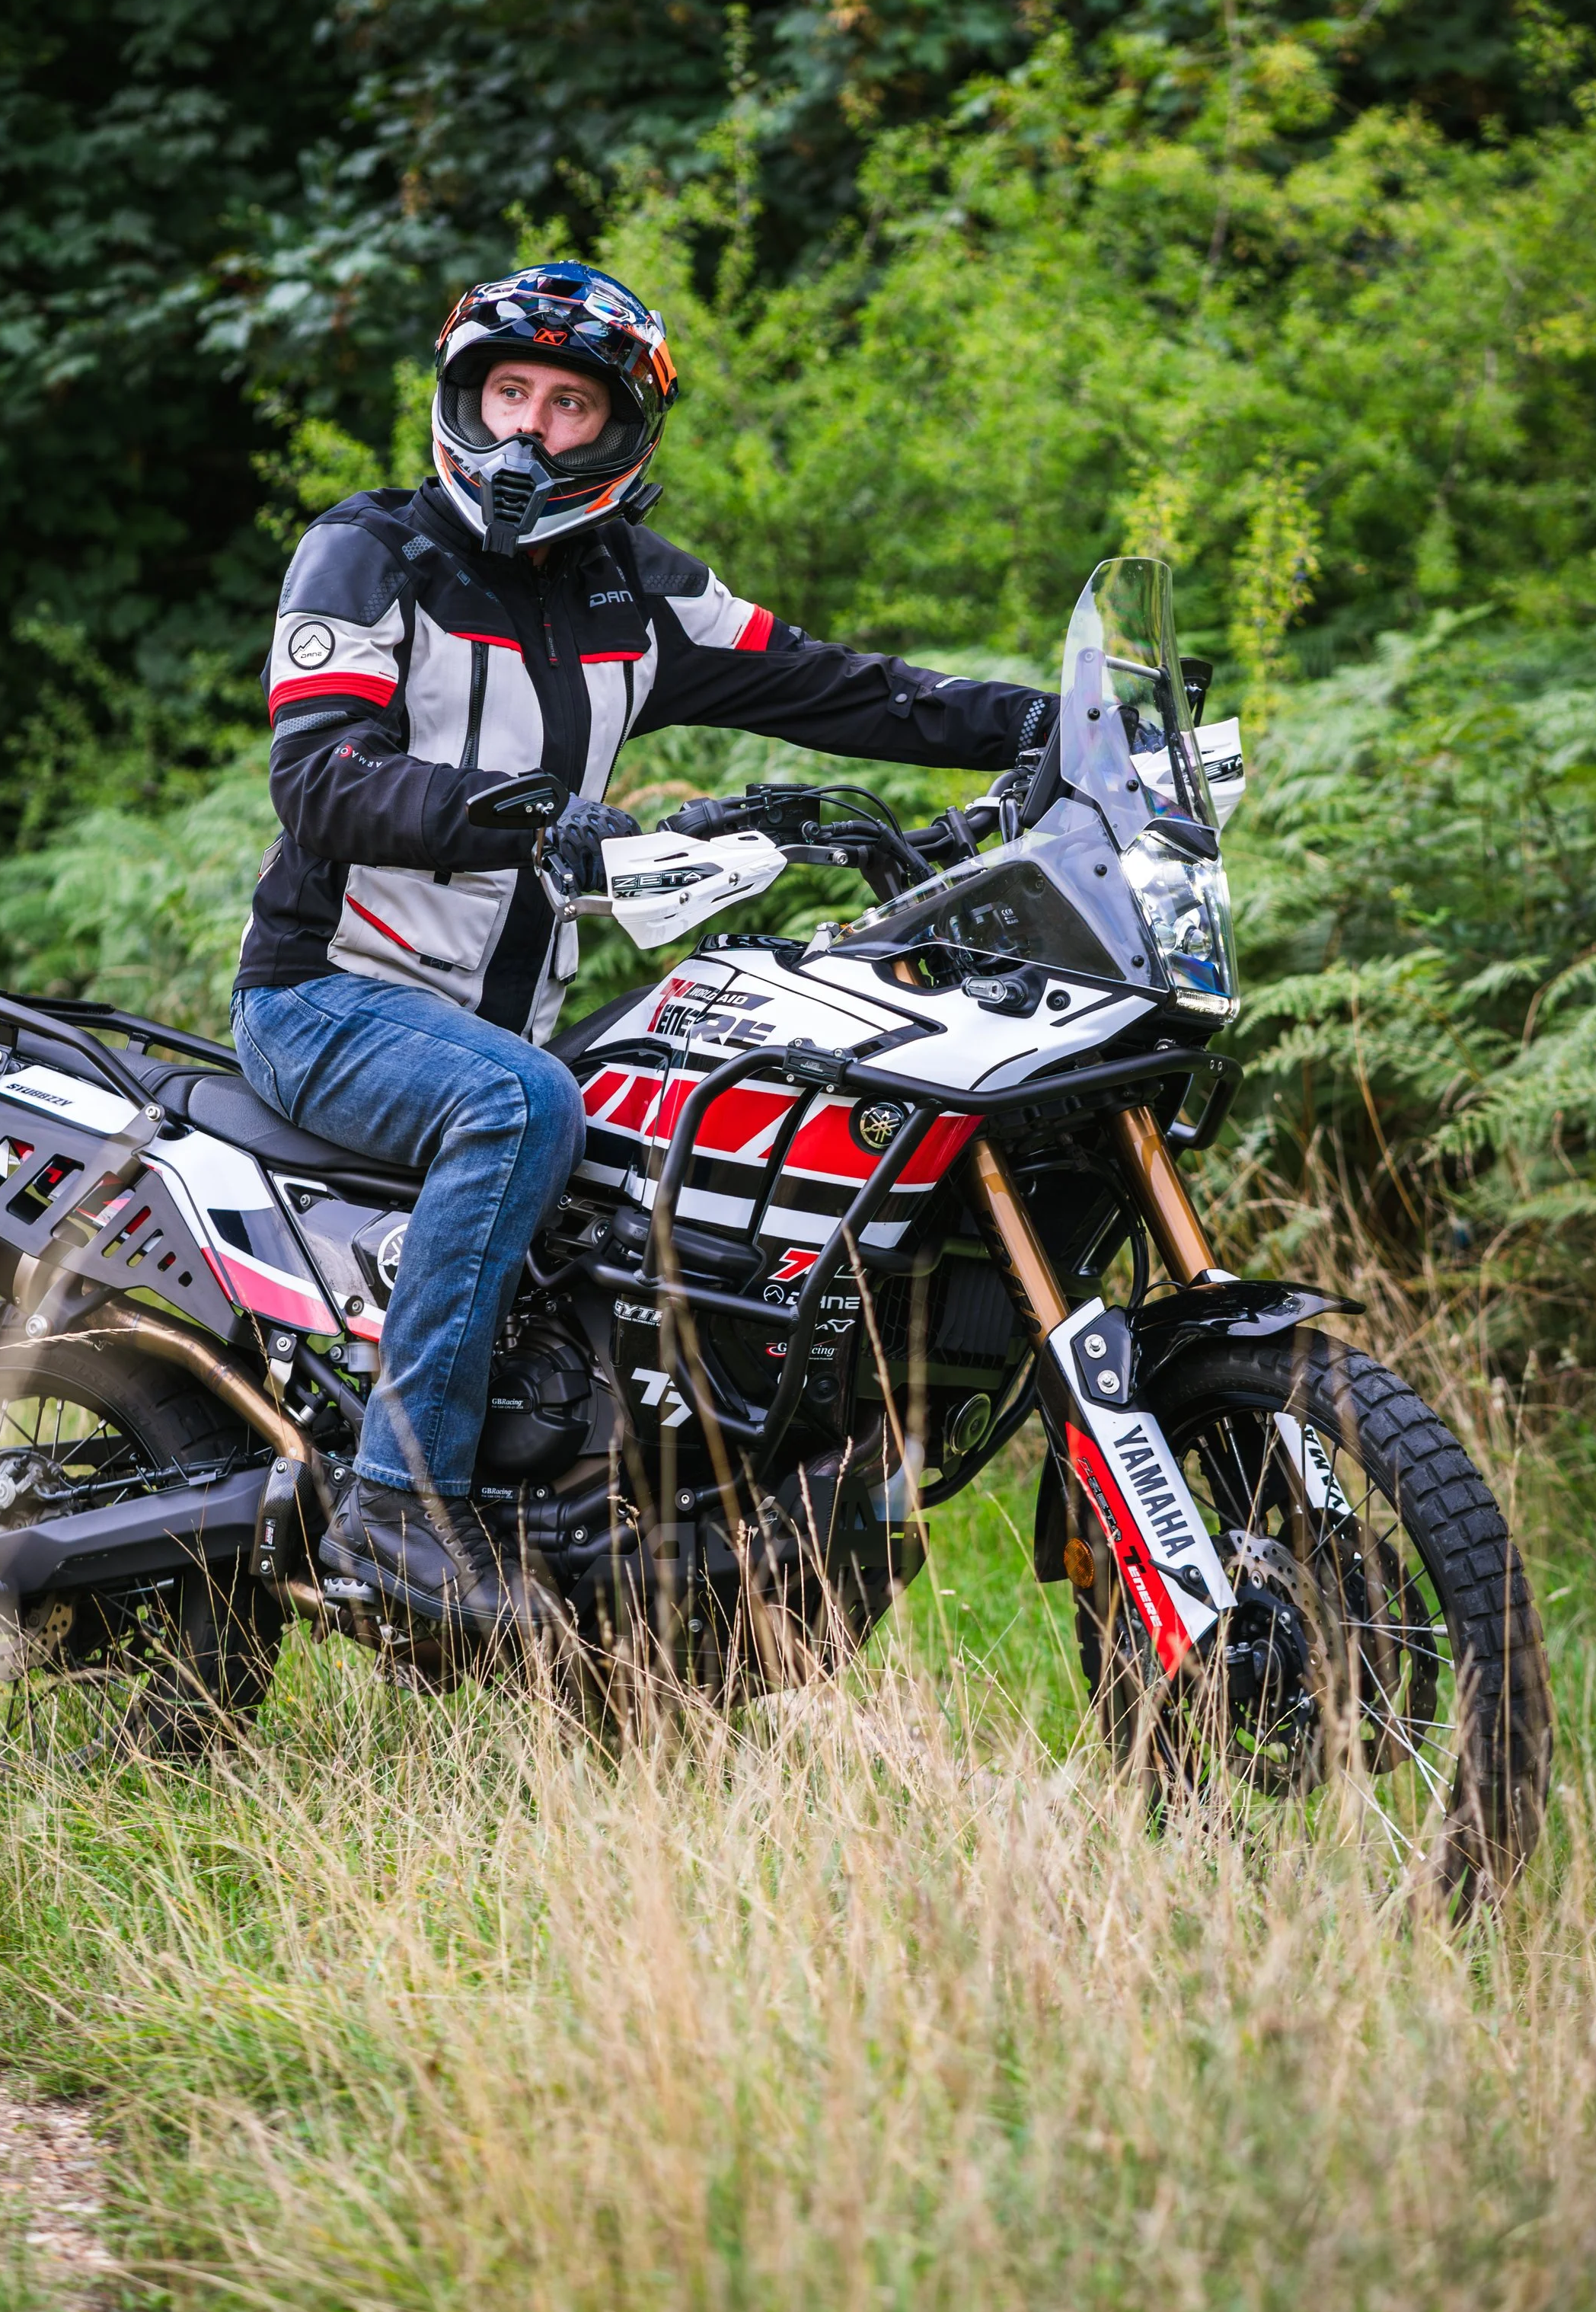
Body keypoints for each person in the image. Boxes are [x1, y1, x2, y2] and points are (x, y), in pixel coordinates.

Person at [231, 262, 1052, 1631]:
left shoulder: (636, 592)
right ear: (461, 396)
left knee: (692, 1128)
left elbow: (835, 684)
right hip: (326, 998)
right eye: (507, 393)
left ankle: (633, 1542)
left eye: (566, 403)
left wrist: (1050, 727)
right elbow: (322, 777)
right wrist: (543, 822)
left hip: (502, 1019)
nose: (526, 433)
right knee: (522, 1101)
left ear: (618, 429)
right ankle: (400, 1505)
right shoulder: (369, 554)